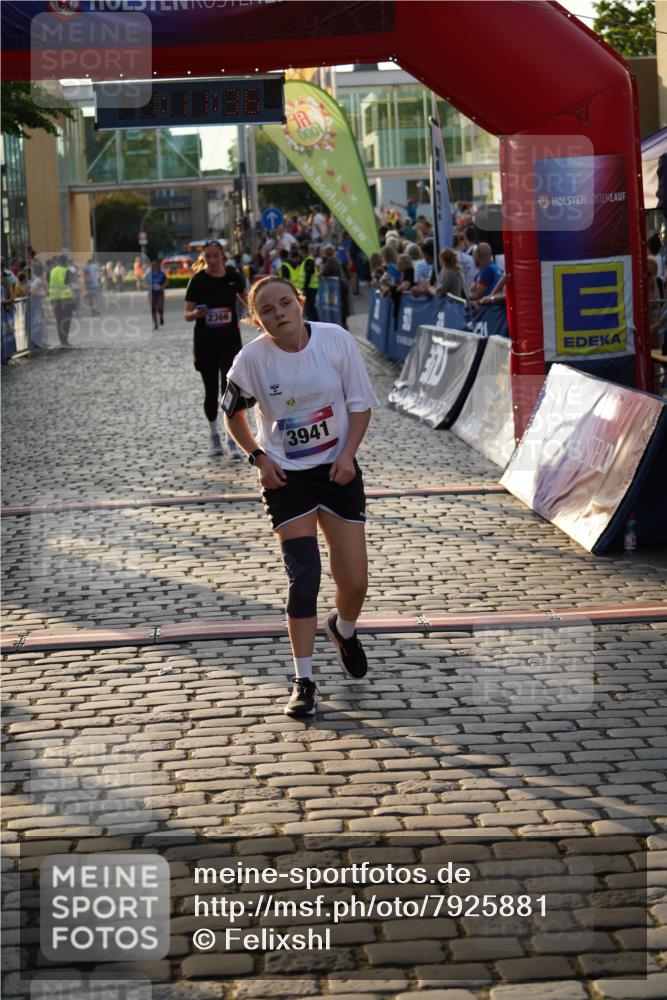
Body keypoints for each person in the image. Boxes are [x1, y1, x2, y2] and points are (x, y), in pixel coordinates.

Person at [224, 275, 379, 718]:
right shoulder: (251, 360)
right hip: (286, 478)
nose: (279, 314)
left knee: (355, 581)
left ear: (300, 302)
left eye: (285, 303)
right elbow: (231, 411)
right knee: (305, 574)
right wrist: (258, 457)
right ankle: (303, 680)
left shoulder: (335, 341)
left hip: (337, 470)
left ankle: (343, 629)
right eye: (268, 310)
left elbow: (360, 405)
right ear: (256, 320)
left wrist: (348, 455)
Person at [184, 240, 246, 458]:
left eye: (215, 256)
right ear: (203, 258)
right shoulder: (198, 281)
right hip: (206, 342)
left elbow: (246, 300)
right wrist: (196, 314)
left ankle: (232, 438)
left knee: (229, 389)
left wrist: (257, 316)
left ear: (223, 256)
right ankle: (214, 435)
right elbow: (187, 313)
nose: (212, 260)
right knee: (211, 392)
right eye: (207, 257)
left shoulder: (233, 277)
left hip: (230, 340)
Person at [49, 254, 74, 346]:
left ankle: (61, 340)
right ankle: (65, 339)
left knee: (59, 319)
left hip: (54, 298)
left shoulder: (52, 270)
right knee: (66, 319)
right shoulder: (66, 271)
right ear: (65, 262)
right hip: (65, 299)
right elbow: (67, 283)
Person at [147, 258, 168, 329]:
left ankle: (161, 316)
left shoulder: (161, 273)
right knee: (152, 309)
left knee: (160, 307)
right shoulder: (148, 274)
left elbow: (167, 282)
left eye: (155, 265)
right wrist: (148, 286)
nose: (154, 266)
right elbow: (143, 282)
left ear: (157, 266)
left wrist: (162, 286)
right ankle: (155, 324)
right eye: (152, 265)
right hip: (151, 293)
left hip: (159, 292)